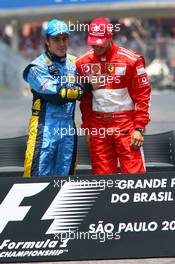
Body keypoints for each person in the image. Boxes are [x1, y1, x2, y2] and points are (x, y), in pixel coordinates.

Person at [76, 17, 151, 175]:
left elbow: (143, 96)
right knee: (102, 181)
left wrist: (139, 128)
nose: (96, 46)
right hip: (98, 127)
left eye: (100, 42)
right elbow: (85, 100)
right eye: (92, 42)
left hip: (126, 126)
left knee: (134, 178)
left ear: (110, 37)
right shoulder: (82, 63)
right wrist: (88, 128)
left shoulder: (132, 60)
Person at [23, 19, 88, 177]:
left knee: (65, 181)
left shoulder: (76, 63)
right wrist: (84, 87)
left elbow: (93, 86)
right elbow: (57, 95)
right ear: (47, 41)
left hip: (68, 131)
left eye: (65, 38)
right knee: (35, 179)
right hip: (43, 131)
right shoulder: (36, 67)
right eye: (56, 39)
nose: (61, 43)